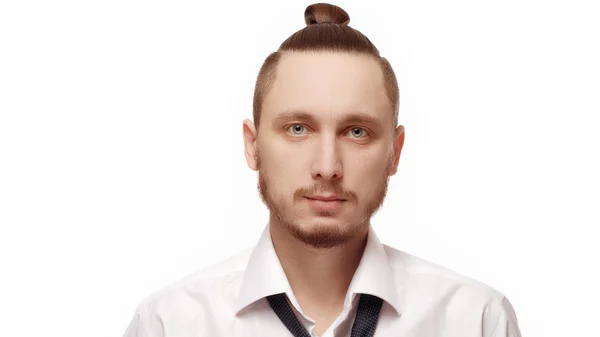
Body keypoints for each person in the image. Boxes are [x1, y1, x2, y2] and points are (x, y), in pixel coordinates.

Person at [123, 3, 522, 337]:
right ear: (252, 145)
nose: (328, 167)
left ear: (395, 153)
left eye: (357, 131)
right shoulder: (170, 323)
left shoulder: (477, 320)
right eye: (298, 129)